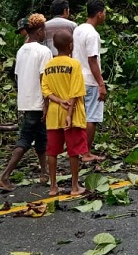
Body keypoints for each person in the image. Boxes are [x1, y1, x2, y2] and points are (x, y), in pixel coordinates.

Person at [0, 14, 53, 191]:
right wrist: (47, 104)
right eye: (44, 30)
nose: (45, 33)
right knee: (26, 138)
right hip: (38, 101)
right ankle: (5, 175)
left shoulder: (22, 50)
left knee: (40, 136)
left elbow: (18, 75)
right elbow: (45, 79)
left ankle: (44, 172)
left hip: (25, 100)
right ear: (39, 30)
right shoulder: (44, 51)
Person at [42, 31, 88, 196]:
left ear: (54, 45)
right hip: (72, 113)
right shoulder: (74, 64)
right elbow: (75, 92)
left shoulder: (49, 65)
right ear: (71, 45)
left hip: (54, 113)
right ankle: (75, 186)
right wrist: (69, 112)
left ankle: (53, 186)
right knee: (73, 150)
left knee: (52, 150)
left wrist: (59, 101)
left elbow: (45, 90)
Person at [72, 0, 107, 162]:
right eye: (104, 13)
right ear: (99, 14)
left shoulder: (78, 29)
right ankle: (86, 153)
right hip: (89, 80)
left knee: (79, 116)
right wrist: (101, 83)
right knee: (91, 117)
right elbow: (92, 59)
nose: (105, 16)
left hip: (77, 78)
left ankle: (77, 149)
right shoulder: (92, 34)